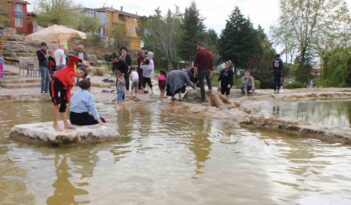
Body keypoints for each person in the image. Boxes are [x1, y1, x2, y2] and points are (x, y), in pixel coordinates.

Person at [49, 55, 89, 131]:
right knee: (56, 104)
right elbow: (72, 57)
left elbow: (67, 91)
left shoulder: (72, 81)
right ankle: (55, 124)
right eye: (80, 72)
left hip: (63, 87)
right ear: (78, 68)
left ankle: (66, 124)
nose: (79, 74)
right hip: (55, 82)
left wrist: (67, 100)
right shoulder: (71, 67)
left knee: (64, 104)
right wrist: (81, 61)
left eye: (81, 75)